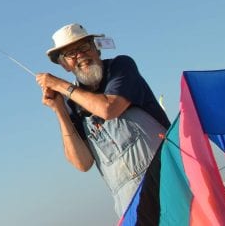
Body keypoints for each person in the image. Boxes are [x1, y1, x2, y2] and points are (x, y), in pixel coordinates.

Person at [35, 23, 171, 217]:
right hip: (132, 205)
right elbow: (82, 163)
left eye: (84, 47)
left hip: (169, 180)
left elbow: (109, 108)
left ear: (96, 48)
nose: (80, 55)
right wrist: (60, 110)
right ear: (64, 65)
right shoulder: (71, 105)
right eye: (70, 54)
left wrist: (59, 85)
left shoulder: (120, 67)